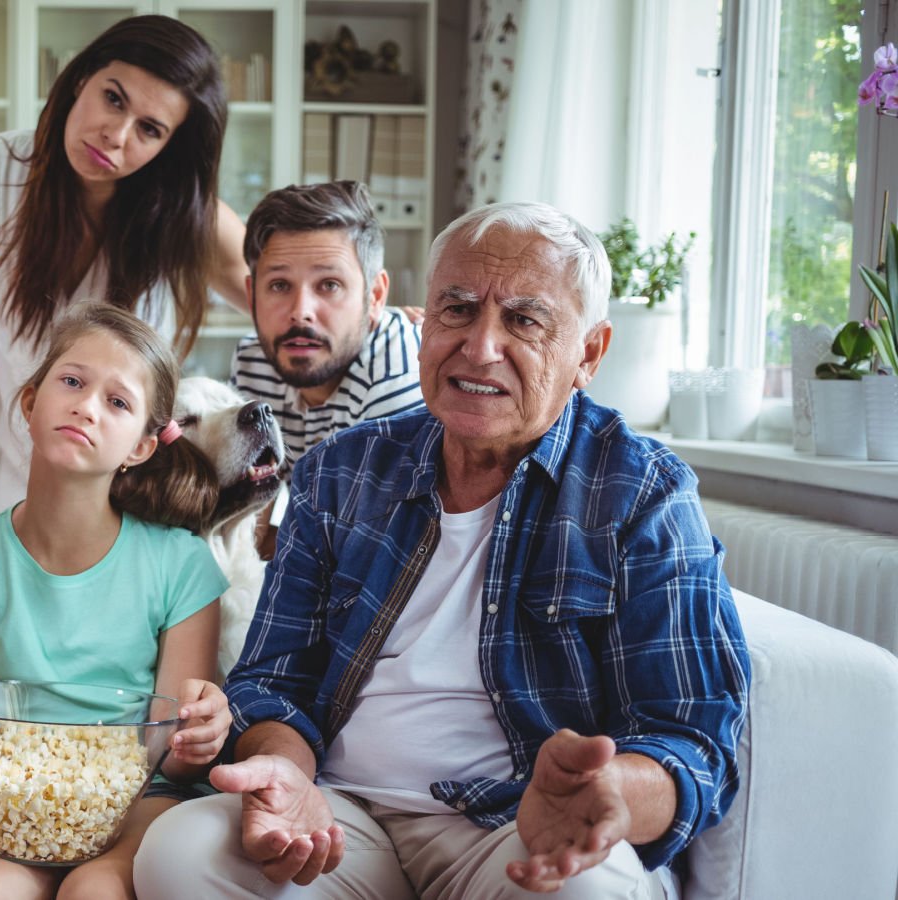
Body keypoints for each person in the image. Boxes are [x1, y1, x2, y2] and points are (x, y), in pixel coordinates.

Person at [133, 201, 752, 900]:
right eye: (457, 311)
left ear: (589, 352)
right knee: (179, 854)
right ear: (423, 324)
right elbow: (273, 680)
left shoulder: (642, 492)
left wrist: (614, 791)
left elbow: (693, 735)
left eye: (524, 320)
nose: (480, 346)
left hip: (515, 824)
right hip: (341, 815)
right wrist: (285, 771)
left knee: (585, 891)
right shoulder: (340, 471)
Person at [0, 304, 233, 899]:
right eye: (71, 381)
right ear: (29, 403)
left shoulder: (181, 565)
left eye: (118, 402)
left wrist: (200, 733)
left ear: (143, 448)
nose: (87, 405)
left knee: (93, 892)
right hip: (11, 797)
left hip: (141, 799)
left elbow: (173, 761)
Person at [0, 14, 250, 515]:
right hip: (9, 492)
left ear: (169, 147)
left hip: (132, 503)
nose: (115, 136)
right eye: (113, 98)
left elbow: (288, 299)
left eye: (149, 129)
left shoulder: (187, 215)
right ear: (82, 77)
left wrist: (390, 322)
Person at [231, 180, 424, 466]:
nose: (301, 312)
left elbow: (368, 511)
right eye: (280, 285)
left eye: (329, 285)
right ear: (251, 295)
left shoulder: (398, 368)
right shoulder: (252, 363)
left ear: (375, 296)